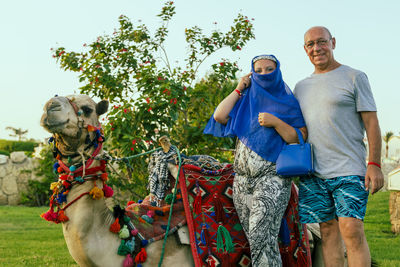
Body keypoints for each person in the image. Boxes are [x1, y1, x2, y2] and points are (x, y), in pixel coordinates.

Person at [204, 54, 307, 267]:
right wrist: (239, 88)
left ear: (277, 71)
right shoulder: (245, 100)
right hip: (241, 181)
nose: (263, 74)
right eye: (258, 70)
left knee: (261, 237)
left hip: (271, 178)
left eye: (269, 69)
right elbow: (219, 116)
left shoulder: (286, 101)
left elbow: (299, 137)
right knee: (258, 241)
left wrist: (276, 122)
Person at [293, 26, 384, 267]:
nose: (317, 48)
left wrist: (374, 164)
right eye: (311, 44)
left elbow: (372, 123)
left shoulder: (355, 77)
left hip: (349, 168)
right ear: (305, 50)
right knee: (327, 232)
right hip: (312, 172)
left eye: (321, 42)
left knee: (351, 229)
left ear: (333, 42)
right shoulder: (300, 87)